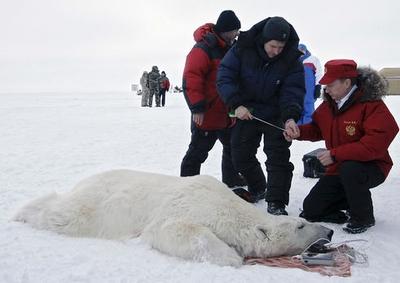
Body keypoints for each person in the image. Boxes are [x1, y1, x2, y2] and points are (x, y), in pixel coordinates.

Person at [284, 59, 399, 233]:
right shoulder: (329, 104)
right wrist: (299, 132)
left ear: (347, 83)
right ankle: (349, 201)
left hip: (372, 167)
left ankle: (363, 217)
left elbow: (374, 145)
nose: (326, 90)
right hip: (340, 166)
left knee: (350, 169)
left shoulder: (371, 105)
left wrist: (335, 154)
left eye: (330, 85)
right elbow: (316, 129)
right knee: (311, 210)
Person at [217, 16, 305, 215]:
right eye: (273, 46)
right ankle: (258, 188)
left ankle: (276, 202)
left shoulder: (291, 58)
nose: (276, 51)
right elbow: (225, 76)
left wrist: (290, 117)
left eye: (280, 47)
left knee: (278, 159)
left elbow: (293, 91)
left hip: (277, 113)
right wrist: (236, 104)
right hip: (248, 111)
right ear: (264, 40)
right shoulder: (242, 48)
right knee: (239, 154)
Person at [180, 10, 245, 188]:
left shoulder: (231, 48)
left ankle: (231, 179)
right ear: (226, 30)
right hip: (207, 112)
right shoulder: (203, 48)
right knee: (197, 152)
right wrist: (197, 107)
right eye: (235, 30)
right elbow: (191, 78)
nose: (237, 34)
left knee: (232, 148)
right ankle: (186, 185)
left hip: (227, 112)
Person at [297, 43, 323, 124]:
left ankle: (307, 129)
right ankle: (295, 129)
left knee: (308, 107)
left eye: (302, 50)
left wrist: (318, 86)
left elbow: (319, 73)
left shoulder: (312, 59)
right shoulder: (292, 60)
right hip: (296, 88)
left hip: (309, 88)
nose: (301, 52)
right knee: (296, 107)